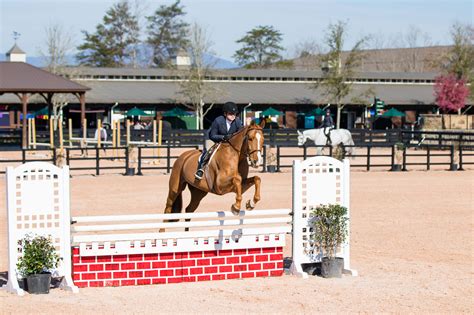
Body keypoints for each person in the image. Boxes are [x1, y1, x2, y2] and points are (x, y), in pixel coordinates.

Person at [195, 101, 243, 180]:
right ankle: (200, 169)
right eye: (230, 114)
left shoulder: (237, 121)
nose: (233, 116)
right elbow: (213, 135)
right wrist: (223, 137)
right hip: (212, 139)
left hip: (228, 141)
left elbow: (241, 133)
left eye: (234, 114)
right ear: (225, 114)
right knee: (208, 151)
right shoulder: (218, 121)